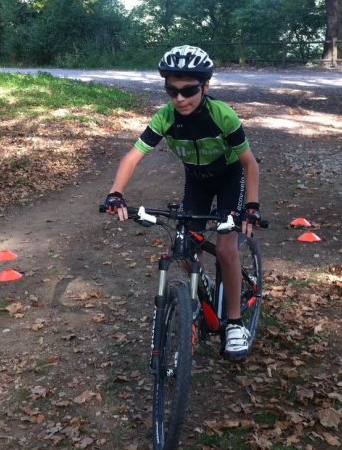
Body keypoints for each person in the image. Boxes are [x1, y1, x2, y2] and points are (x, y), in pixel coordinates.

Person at [103, 45, 261, 361]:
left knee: (227, 249)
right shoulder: (165, 117)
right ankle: (194, 304)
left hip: (229, 178)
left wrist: (252, 206)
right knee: (185, 244)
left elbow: (250, 164)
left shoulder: (222, 115)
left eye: (188, 90)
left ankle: (233, 322)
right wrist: (115, 192)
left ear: (205, 87)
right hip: (196, 182)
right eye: (171, 91)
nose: (179, 98)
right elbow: (133, 157)